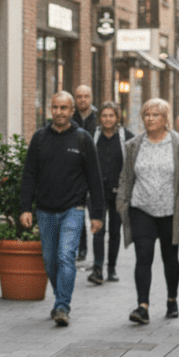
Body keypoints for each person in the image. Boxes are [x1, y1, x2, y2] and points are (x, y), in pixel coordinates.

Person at [19, 91, 105, 327]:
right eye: (55, 107)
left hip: (73, 209)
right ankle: (61, 297)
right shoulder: (39, 138)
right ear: (50, 109)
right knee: (50, 261)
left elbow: (94, 179)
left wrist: (97, 215)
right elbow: (29, 175)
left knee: (66, 256)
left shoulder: (83, 139)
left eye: (64, 108)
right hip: (45, 210)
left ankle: (62, 306)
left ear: (71, 111)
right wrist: (25, 208)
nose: (59, 112)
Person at [116, 98, 179, 325]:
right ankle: (142, 306)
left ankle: (172, 299)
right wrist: (121, 203)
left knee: (170, 258)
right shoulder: (134, 145)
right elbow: (126, 177)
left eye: (155, 115)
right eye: (146, 114)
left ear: (166, 119)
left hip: (170, 211)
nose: (150, 119)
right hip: (141, 208)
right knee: (143, 257)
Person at [88, 102, 135, 285]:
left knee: (115, 231)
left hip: (118, 192)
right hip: (97, 192)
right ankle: (97, 268)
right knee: (98, 229)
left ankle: (112, 268)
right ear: (100, 117)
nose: (108, 119)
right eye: (104, 115)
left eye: (111, 115)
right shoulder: (93, 136)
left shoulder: (126, 137)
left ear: (117, 117)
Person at [72, 85, 99, 261]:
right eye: (79, 96)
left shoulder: (98, 119)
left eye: (86, 96)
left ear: (91, 98)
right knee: (77, 212)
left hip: (95, 171)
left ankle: (99, 255)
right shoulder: (70, 118)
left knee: (96, 212)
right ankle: (81, 249)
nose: (82, 99)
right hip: (75, 172)